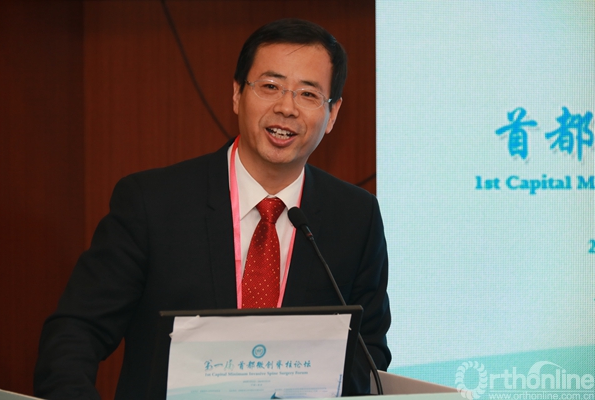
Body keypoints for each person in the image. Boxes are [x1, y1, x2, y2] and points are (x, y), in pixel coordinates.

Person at [34, 18, 391, 399]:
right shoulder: (152, 202)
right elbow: (76, 333)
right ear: (237, 93)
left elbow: (368, 350)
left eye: (308, 94)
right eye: (270, 86)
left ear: (332, 113)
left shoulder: (356, 216)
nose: (286, 108)